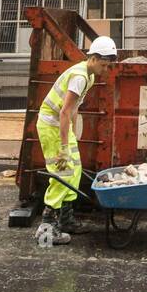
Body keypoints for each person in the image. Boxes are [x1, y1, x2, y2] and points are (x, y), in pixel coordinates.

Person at [35, 36, 117, 245]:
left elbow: (73, 108)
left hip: (61, 128)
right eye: (105, 65)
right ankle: (46, 229)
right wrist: (64, 145)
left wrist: (73, 131)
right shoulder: (80, 76)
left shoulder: (88, 75)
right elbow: (64, 111)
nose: (106, 70)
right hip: (51, 127)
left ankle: (66, 219)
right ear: (95, 58)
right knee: (62, 173)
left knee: (75, 170)